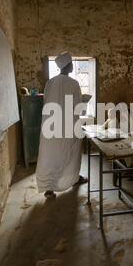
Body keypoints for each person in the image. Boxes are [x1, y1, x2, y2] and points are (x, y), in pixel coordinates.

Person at [36, 52, 88, 199]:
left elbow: (46, 102)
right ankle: (73, 179)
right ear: (68, 66)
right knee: (70, 153)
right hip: (68, 126)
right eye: (71, 64)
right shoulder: (73, 84)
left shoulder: (50, 83)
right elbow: (79, 108)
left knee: (50, 155)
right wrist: (84, 100)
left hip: (50, 127)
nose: (72, 66)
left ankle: (49, 188)